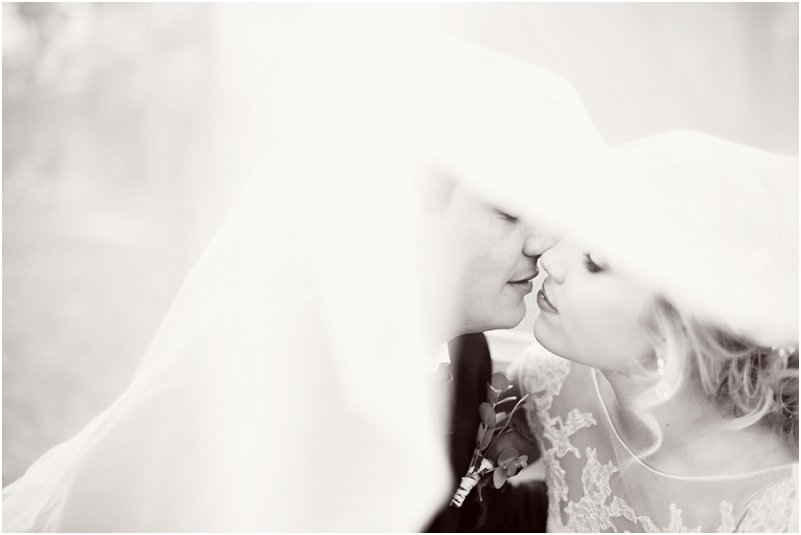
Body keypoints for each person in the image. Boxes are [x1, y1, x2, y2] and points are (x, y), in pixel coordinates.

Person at [2, 24, 604, 531]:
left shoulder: (465, 353)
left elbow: (453, 515)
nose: (542, 244)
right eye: (509, 213)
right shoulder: (268, 383)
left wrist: (613, 499)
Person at [503, 131, 798, 532]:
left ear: (678, 325)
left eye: (594, 262)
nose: (550, 260)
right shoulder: (548, 381)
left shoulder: (778, 503)